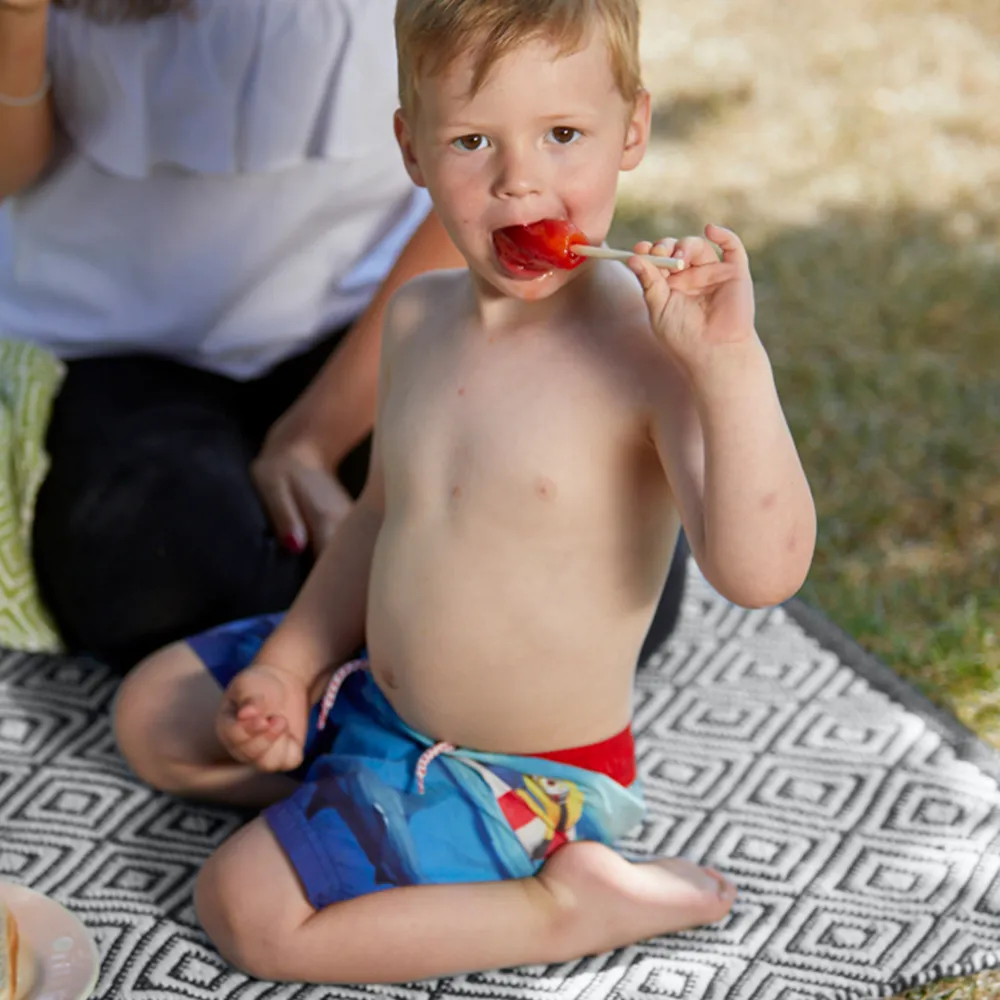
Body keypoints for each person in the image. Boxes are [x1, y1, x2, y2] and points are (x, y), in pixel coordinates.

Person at [113, 0, 816, 984]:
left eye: (562, 134)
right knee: (153, 714)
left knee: (244, 906)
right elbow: (377, 521)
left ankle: (561, 903)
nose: (518, 177)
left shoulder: (651, 357)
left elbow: (760, 571)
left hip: (519, 774)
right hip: (374, 699)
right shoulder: (413, 318)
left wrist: (731, 367)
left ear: (634, 131)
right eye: (472, 139)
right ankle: (346, 788)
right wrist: (289, 663)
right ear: (410, 148)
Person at [0, 0, 469, 669]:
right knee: (164, 575)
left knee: (559, 550)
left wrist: (314, 436)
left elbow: (488, 176)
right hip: (104, 348)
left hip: (370, 323)